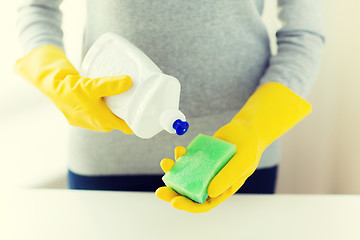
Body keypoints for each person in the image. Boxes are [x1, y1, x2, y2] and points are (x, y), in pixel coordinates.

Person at [15, 0, 324, 213]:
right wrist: (55, 77)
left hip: (237, 160)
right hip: (106, 155)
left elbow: (304, 34)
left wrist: (254, 128)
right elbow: (36, 7)